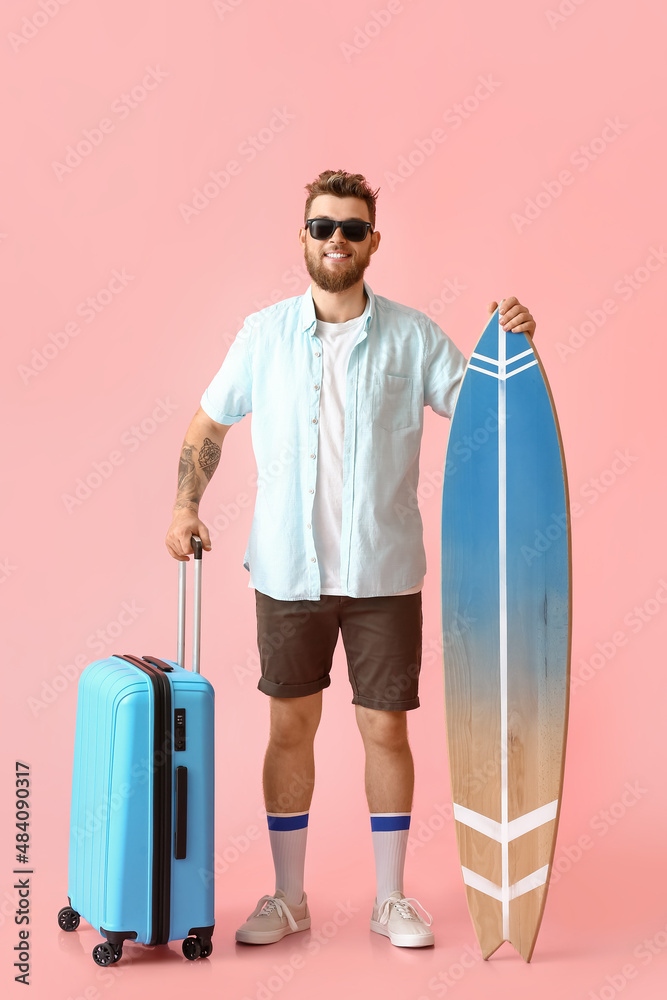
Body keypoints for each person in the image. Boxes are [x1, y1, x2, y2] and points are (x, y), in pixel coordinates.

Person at [165, 169, 536, 949]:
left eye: (353, 228)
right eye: (324, 225)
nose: (338, 238)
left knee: (385, 733)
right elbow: (209, 423)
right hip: (287, 573)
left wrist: (514, 345)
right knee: (289, 729)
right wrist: (183, 504)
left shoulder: (412, 335)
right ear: (302, 236)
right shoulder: (261, 335)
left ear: (373, 241)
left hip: (383, 576)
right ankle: (288, 896)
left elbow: (485, 406)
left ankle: (391, 898)